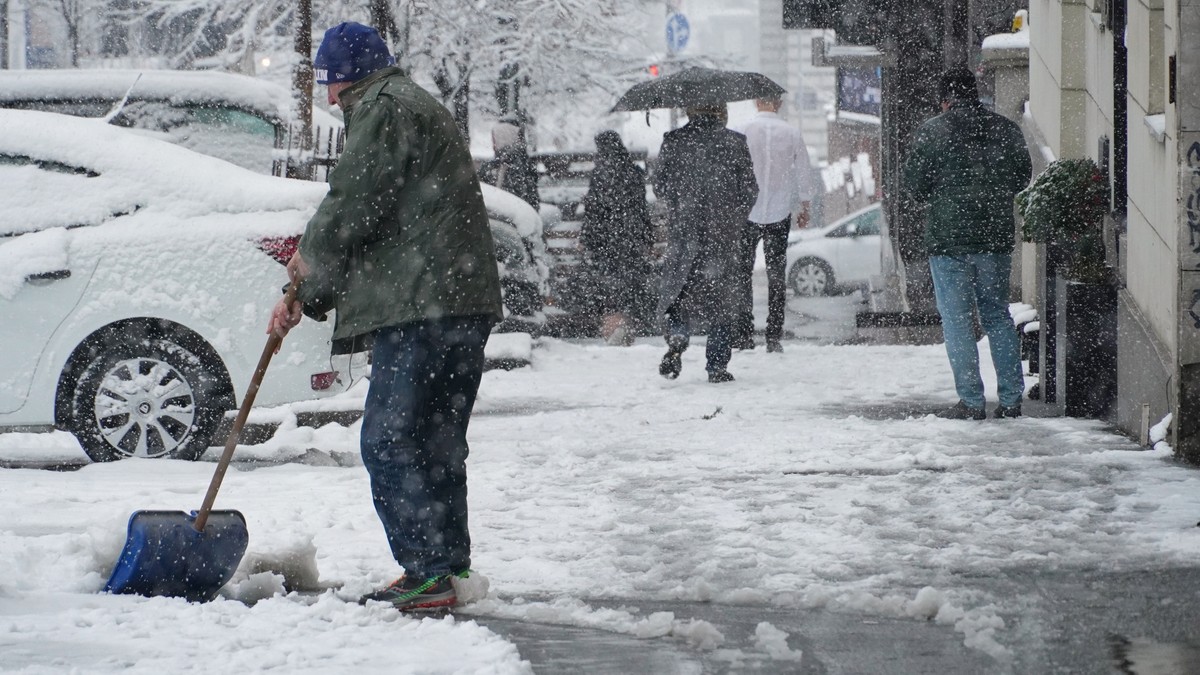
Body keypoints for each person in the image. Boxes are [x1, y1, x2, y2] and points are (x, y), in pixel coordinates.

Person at [267, 21, 503, 610]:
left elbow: (353, 202)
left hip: (422, 305)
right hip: (457, 301)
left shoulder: (384, 108)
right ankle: (445, 569)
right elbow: (382, 210)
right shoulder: (413, 103)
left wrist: (301, 281)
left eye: (331, 86)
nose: (328, 99)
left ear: (348, 80)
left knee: (391, 440)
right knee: (436, 439)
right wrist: (310, 291)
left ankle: (429, 570)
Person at [902, 67, 1033, 420]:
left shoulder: (932, 131)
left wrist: (942, 192)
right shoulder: (1005, 129)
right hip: (994, 238)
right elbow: (1022, 176)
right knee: (997, 315)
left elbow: (913, 185)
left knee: (957, 321)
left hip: (948, 242)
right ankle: (1010, 399)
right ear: (975, 94)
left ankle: (972, 402)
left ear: (945, 100)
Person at [653, 103, 759, 383]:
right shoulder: (735, 142)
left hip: (684, 235)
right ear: (720, 110)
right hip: (721, 237)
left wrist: (681, 202)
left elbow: (659, 186)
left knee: (680, 293)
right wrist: (733, 219)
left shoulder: (673, 141)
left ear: (689, 111)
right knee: (722, 302)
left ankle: (678, 332)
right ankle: (717, 366)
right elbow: (750, 189)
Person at [731, 97, 814, 353]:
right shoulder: (792, 133)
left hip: (747, 211)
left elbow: (732, 170)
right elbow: (803, 171)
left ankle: (745, 334)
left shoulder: (742, 130)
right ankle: (773, 335)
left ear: (757, 102)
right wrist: (805, 206)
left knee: (741, 274)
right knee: (776, 274)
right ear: (778, 104)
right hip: (779, 210)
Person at [578, 130, 655, 345]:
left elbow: (593, 211)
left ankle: (611, 329)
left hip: (605, 240)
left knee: (607, 287)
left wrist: (586, 238)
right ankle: (625, 328)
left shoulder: (600, 174)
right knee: (628, 286)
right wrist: (647, 238)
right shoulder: (634, 172)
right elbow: (642, 210)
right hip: (630, 238)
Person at [478, 118, 541, 210]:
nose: (493, 143)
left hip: (514, 215)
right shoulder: (518, 161)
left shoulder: (514, 164)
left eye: (495, 138)